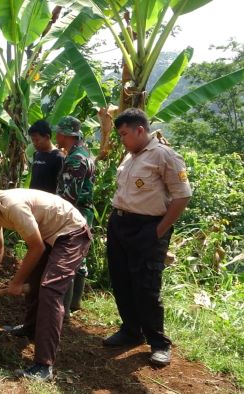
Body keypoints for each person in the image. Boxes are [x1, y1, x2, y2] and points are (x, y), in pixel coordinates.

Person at [0, 178, 91, 381]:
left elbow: (37, 248)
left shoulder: (11, 205)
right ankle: (31, 328)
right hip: (47, 235)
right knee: (35, 281)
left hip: (71, 233)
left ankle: (44, 366)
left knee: (49, 290)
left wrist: (16, 282)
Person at [102, 108, 191, 367]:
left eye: (124, 134)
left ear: (140, 130)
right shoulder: (130, 157)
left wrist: (158, 231)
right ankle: (131, 331)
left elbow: (182, 196)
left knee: (146, 286)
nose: (122, 139)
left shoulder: (164, 156)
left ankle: (159, 343)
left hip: (147, 226)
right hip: (120, 223)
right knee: (121, 280)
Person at [54, 116, 96, 315]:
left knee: (68, 258)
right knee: (79, 258)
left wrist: (59, 216)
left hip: (75, 212)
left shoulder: (76, 159)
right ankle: (75, 303)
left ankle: (64, 309)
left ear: (64, 134)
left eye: (58, 133)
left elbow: (70, 194)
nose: (56, 136)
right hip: (83, 212)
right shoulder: (84, 153)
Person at [28, 120, 64, 194]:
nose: (34, 143)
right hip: (33, 200)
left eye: (37, 140)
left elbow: (60, 185)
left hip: (49, 202)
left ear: (47, 137)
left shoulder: (58, 157)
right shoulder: (36, 154)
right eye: (32, 140)